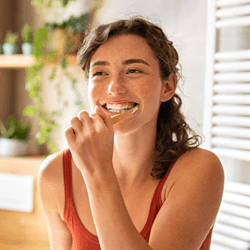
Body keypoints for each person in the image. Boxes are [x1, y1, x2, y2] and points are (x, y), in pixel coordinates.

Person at [39, 16, 224, 250]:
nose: (114, 87)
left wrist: (98, 172)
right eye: (100, 73)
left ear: (167, 87)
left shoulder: (199, 169)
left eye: (134, 70)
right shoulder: (55, 173)